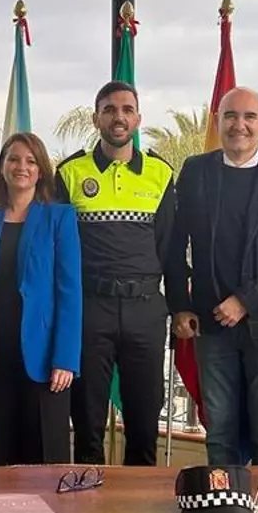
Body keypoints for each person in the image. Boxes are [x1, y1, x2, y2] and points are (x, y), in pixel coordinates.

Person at [167, 87, 258, 466]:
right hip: (211, 326)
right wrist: (179, 306)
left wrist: (245, 300)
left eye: (249, 117)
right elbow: (174, 245)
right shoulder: (196, 171)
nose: (239, 125)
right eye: (230, 115)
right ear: (218, 121)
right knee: (219, 433)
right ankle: (224, 503)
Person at [53, 81, 177, 466]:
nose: (118, 117)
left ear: (137, 119)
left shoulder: (160, 173)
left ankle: (138, 503)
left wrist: (180, 308)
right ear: (96, 119)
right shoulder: (70, 172)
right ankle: (86, 497)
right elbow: (57, 252)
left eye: (126, 110)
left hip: (145, 310)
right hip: (90, 309)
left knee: (144, 419)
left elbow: (170, 250)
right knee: (86, 419)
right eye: (109, 110)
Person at [0, 132, 82, 465]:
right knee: (3, 458)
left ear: (41, 171)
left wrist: (65, 358)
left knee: (46, 460)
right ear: (2, 166)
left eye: (30, 161)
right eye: (13, 159)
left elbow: (70, 291)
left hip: (44, 358)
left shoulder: (59, 217)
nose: (21, 167)